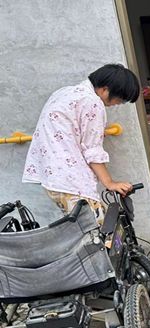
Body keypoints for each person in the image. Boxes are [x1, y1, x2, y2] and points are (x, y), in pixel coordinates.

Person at [22, 64, 140, 224]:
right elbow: (92, 150)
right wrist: (110, 183)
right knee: (98, 229)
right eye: (120, 99)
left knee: (93, 226)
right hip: (70, 180)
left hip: (54, 177)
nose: (118, 103)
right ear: (105, 90)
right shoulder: (92, 103)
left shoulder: (64, 92)